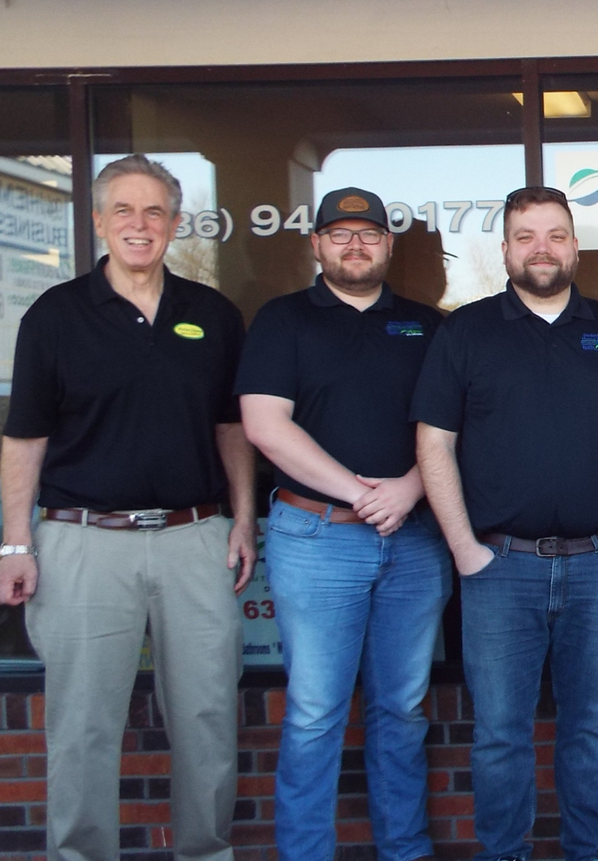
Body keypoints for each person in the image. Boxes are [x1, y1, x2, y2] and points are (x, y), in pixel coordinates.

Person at [0, 154, 255, 861]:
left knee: (207, 717)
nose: (141, 226)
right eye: (125, 211)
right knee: (81, 726)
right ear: (100, 221)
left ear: (174, 223)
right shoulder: (55, 316)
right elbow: (24, 438)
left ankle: (206, 852)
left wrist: (243, 519)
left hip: (193, 536)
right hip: (83, 542)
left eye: (155, 212)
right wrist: (15, 544)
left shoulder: (213, 315)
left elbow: (232, 429)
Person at [411, 186, 598, 861]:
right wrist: (464, 549)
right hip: (499, 568)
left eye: (555, 234)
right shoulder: (464, 333)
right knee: (499, 731)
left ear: (575, 247)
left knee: (591, 727)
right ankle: (505, 852)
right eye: (526, 236)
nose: (542, 248)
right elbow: (433, 444)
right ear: (504, 250)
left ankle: (591, 851)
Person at [237, 187, 450, 861]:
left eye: (368, 235)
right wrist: (364, 495)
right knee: (313, 713)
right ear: (316, 243)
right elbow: (266, 425)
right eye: (340, 234)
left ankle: (405, 850)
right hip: (316, 536)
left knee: (402, 712)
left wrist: (412, 489)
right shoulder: (283, 320)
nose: (355, 245)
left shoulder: (429, 326)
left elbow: (454, 428)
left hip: (414, 542)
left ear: (389, 245)